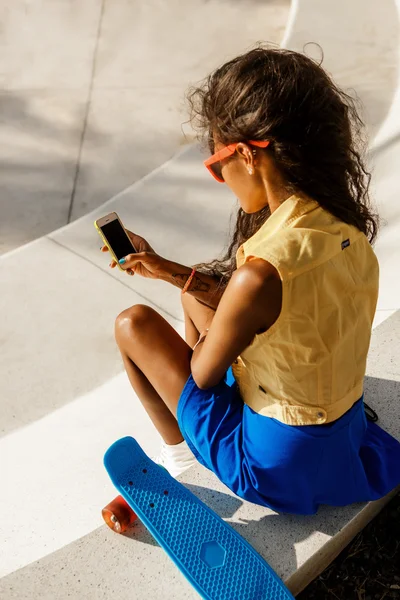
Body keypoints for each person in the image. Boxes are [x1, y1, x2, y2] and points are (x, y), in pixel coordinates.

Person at [101, 47, 400, 515]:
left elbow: (201, 376)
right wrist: (167, 270)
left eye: (217, 163)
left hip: (277, 467)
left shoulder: (259, 274)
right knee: (195, 294)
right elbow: (276, 304)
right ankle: (201, 435)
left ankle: (182, 459)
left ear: (245, 154)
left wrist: (210, 335)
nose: (220, 176)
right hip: (343, 440)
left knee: (132, 324)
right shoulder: (343, 229)